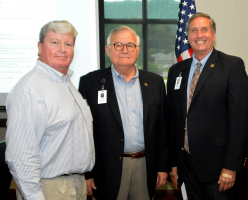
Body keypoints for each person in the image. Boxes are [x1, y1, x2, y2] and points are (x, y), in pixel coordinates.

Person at [5, 20, 95, 200]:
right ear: (39, 47)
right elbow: (22, 157)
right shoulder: (29, 90)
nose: (62, 49)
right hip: (49, 189)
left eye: (68, 44)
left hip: (74, 184)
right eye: (55, 42)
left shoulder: (65, 83)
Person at [78, 26, 169, 200]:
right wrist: (88, 173)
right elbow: (83, 132)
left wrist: (163, 166)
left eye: (130, 45)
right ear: (108, 49)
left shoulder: (155, 82)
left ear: (138, 51)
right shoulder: (90, 83)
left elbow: (163, 129)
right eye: (118, 45)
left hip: (145, 166)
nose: (124, 50)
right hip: (106, 169)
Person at [167, 12, 248, 200]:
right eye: (194, 31)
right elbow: (173, 120)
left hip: (218, 168)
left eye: (204, 30)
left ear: (213, 34)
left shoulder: (232, 66)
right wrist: (174, 162)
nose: (199, 35)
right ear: (187, 36)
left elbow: (239, 121)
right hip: (186, 165)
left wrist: (231, 166)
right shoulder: (175, 71)